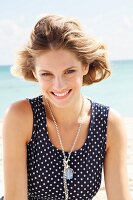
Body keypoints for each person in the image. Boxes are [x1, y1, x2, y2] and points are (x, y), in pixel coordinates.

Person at [1, 14, 131, 200]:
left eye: (69, 71)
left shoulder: (109, 124)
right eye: (47, 74)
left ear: (84, 66)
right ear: (35, 73)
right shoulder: (20, 117)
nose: (59, 85)